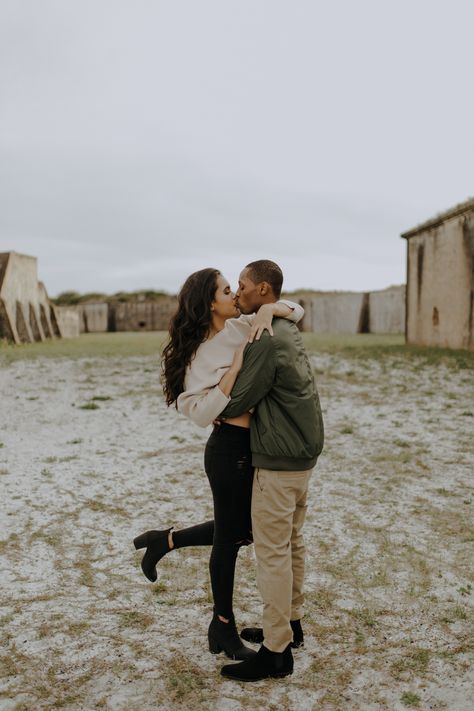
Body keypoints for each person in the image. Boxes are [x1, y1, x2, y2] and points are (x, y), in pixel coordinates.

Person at [133, 267, 304, 661]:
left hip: (254, 445)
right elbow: (202, 410)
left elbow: (297, 310)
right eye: (227, 290)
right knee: (232, 537)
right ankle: (222, 626)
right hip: (228, 450)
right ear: (211, 302)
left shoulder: (242, 324)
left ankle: (166, 540)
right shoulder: (199, 355)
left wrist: (268, 310)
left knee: (243, 529)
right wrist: (233, 372)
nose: (234, 295)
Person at [216, 260, 324, 682]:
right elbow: (293, 310)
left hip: (279, 462)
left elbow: (238, 399)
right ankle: (290, 625)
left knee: (273, 553)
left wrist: (211, 391)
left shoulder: (265, 337)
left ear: (262, 290)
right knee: (291, 543)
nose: (238, 293)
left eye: (241, 286)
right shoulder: (285, 327)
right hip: (301, 456)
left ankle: (276, 652)